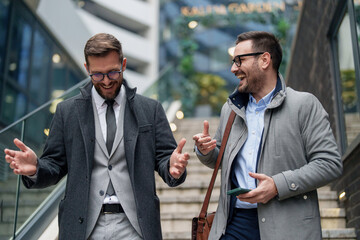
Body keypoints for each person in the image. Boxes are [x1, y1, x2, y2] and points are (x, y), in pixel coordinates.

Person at [4, 33, 190, 240]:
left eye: (112, 73)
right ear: (87, 69)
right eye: (97, 75)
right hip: (82, 228)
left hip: (136, 227)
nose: (107, 81)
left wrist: (173, 169)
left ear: (124, 64)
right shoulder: (67, 112)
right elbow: (54, 165)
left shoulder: (151, 109)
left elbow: (165, 161)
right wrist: (36, 169)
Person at [192, 31, 343, 240]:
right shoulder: (230, 110)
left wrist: (277, 185)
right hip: (234, 225)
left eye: (239, 60)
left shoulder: (304, 105)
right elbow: (221, 159)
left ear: (264, 60)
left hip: (288, 226)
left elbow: (329, 164)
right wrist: (206, 151)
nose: (233, 68)